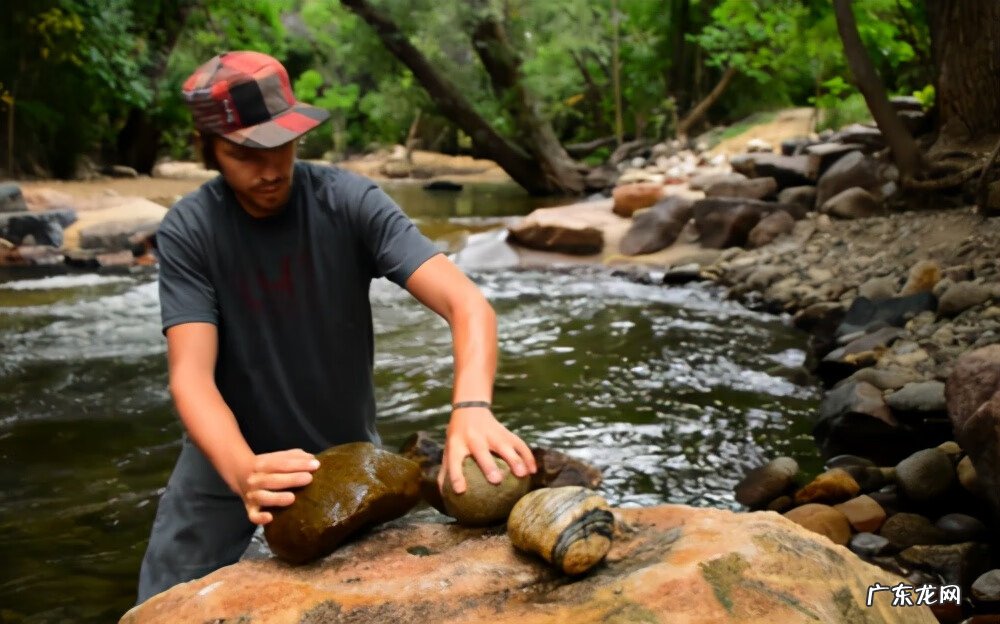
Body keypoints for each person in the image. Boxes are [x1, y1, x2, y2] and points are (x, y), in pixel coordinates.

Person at [137, 50, 536, 602]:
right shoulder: (191, 229)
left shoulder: (348, 202)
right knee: (162, 606)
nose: (272, 168)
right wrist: (243, 470)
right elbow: (191, 378)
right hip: (222, 464)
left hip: (348, 462)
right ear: (208, 150)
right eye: (245, 154)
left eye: (283, 144)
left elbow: (467, 305)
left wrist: (472, 409)